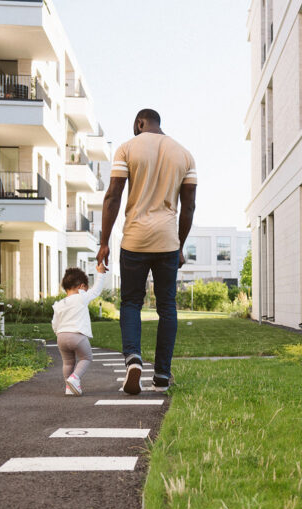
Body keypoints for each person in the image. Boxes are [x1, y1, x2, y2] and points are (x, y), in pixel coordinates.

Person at [97, 108, 197, 395]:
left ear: (140, 123)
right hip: (167, 241)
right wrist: (179, 243)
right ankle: (163, 374)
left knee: (131, 302)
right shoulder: (185, 154)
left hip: (135, 240)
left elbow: (113, 195)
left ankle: (133, 359)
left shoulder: (128, 148)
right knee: (167, 306)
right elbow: (188, 206)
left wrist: (104, 242)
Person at [51, 263, 109, 396]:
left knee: (67, 362)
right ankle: (75, 378)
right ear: (82, 286)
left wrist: (58, 333)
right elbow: (96, 290)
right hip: (77, 335)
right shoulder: (82, 297)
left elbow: (54, 323)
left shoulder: (59, 304)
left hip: (61, 336)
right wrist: (100, 273)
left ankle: (68, 387)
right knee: (86, 358)